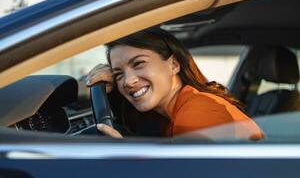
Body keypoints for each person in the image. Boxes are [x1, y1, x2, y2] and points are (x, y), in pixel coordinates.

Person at [86, 28, 263, 139]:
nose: (129, 81)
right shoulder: (165, 115)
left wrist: (123, 157)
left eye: (139, 63)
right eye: (118, 74)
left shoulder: (198, 114)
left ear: (174, 64)